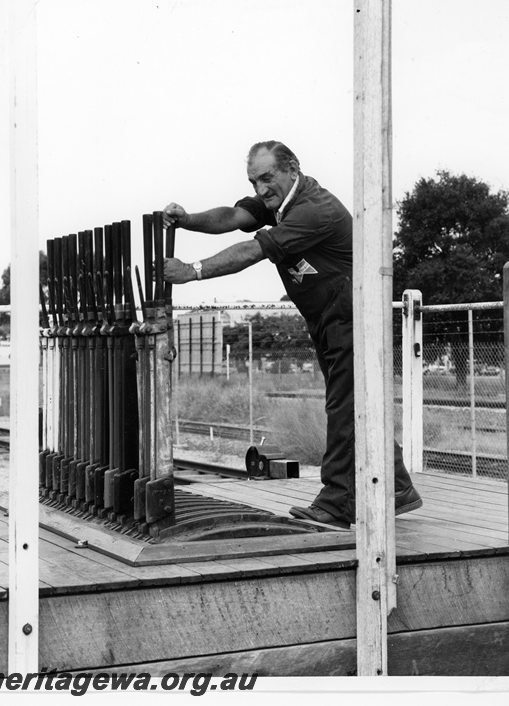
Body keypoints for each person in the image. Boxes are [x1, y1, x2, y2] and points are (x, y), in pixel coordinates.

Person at [162, 140, 422, 530]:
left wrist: (192, 271)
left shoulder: (313, 210)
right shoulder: (276, 205)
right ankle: (398, 489)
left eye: (267, 178)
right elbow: (232, 217)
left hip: (353, 319)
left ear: (291, 169)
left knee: (346, 409)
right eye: (254, 182)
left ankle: (337, 504)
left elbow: (252, 250)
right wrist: (186, 220)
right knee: (360, 405)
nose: (261, 190)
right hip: (329, 321)